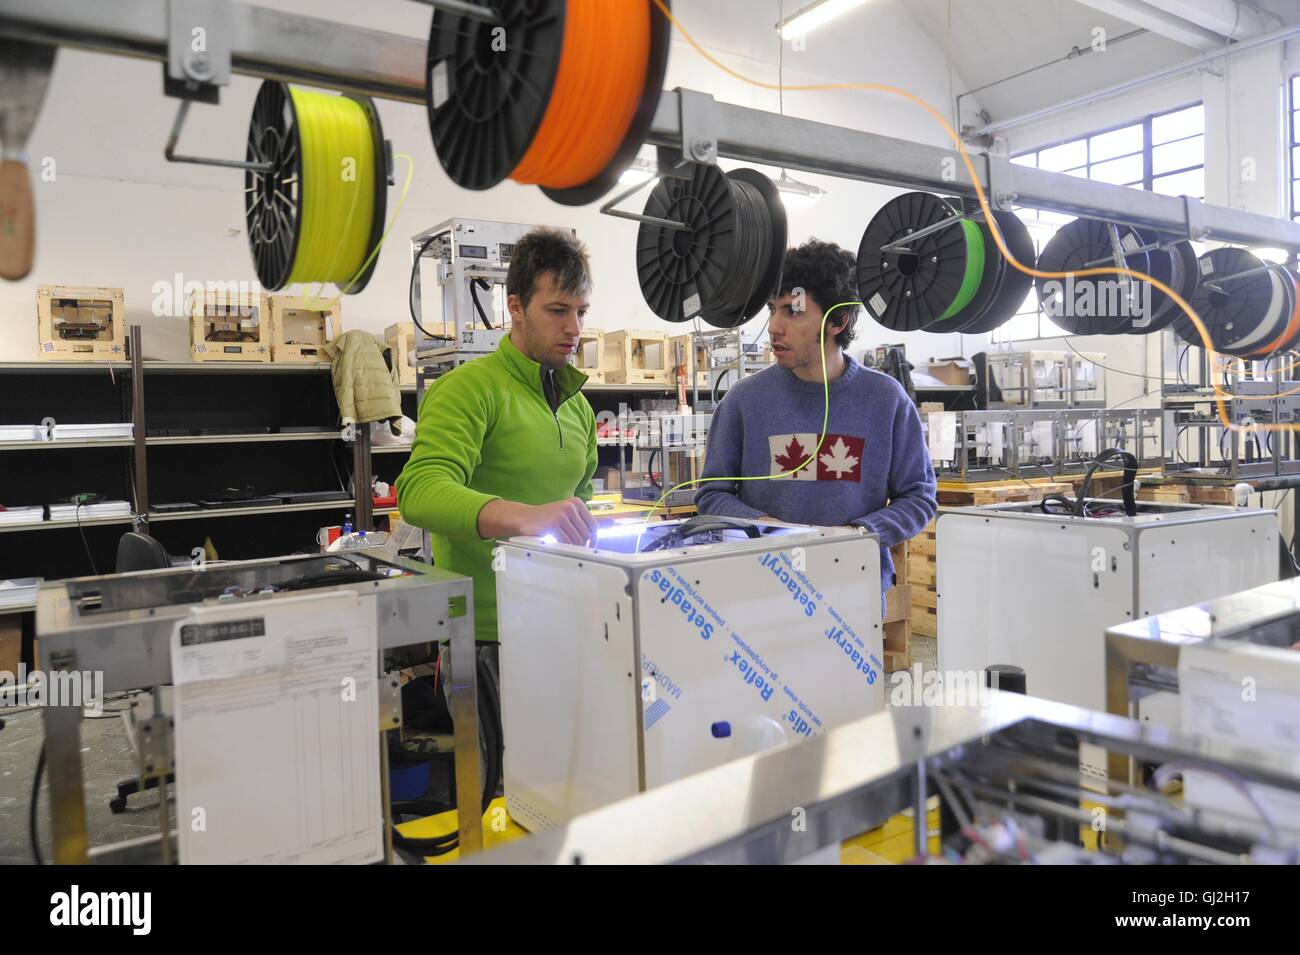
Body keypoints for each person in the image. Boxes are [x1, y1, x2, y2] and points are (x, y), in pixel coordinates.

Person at [695, 238, 938, 607]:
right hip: (761, 589)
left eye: (792, 312)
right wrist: (768, 528)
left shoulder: (886, 400)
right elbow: (712, 494)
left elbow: (919, 497)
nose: (774, 327)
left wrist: (857, 534)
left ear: (839, 320)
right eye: (771, 310)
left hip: (853, 589)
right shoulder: (744, 401)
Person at [395, 227, 599, 644]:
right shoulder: (469, 388)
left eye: (581, 312)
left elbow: (580, 505)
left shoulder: (577, 404)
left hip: (563, 619)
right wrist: (524, 516)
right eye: (557, 310)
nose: (573, 328)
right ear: (516, 307)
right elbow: (419, 490)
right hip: (485, 634)